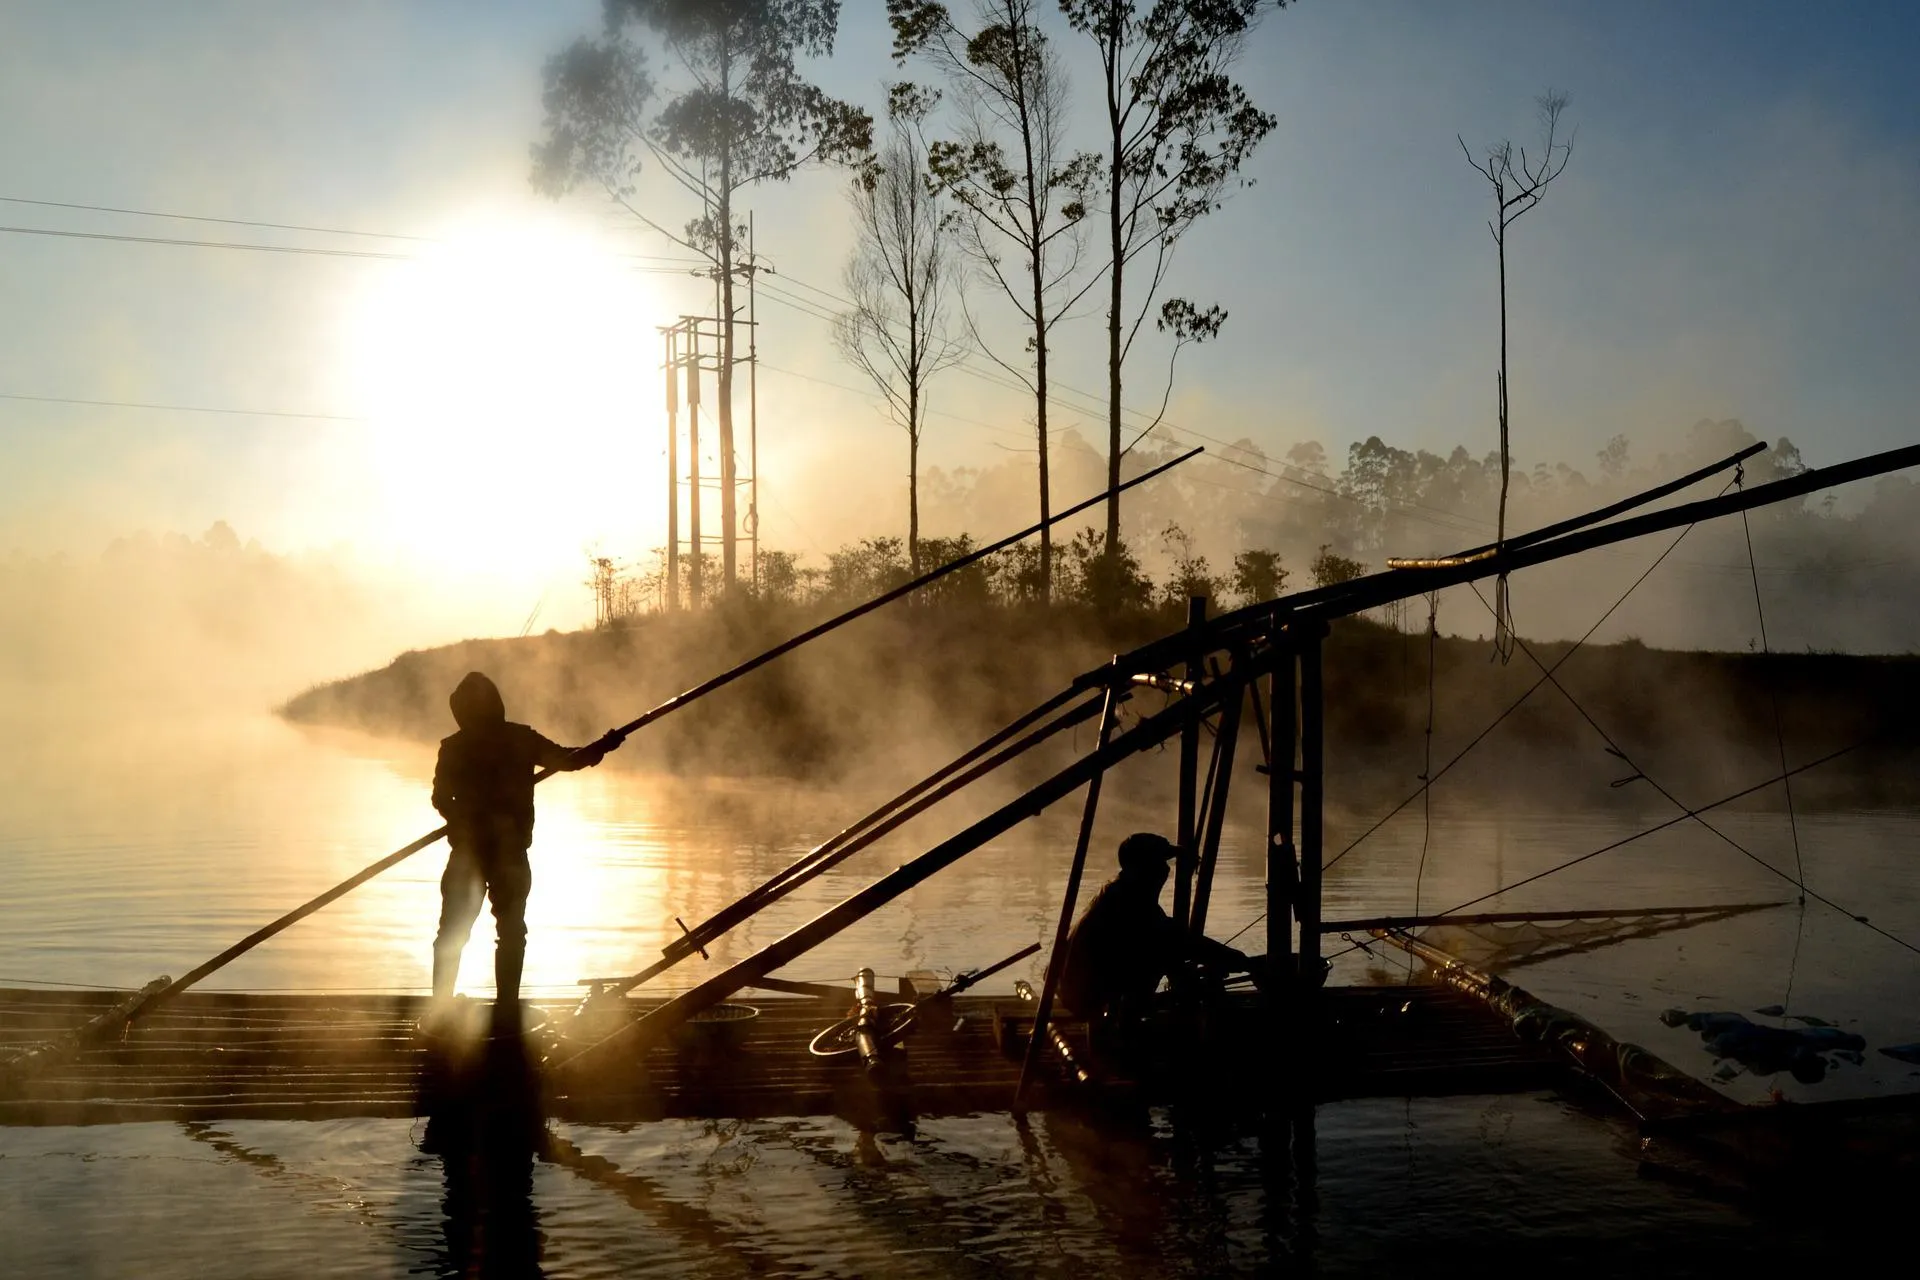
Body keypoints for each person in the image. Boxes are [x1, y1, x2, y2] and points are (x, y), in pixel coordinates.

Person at [430, 671, 622, 1020]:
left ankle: (445, 1008)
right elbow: (569, 759)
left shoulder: (455, 747)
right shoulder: (517, 739)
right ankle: (502, 1008)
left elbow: (440, 799)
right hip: (500, 853)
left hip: (479, 853)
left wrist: (460, 819)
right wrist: (601, 747)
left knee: (455, 932)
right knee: (510, 930)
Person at [1056, 832, 1263, 1047]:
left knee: (1167, 956)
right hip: (1085, 995)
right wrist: (1244, 962)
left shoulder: (1120, 891)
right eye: (1159, 863)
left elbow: (1174, 936)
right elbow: (1180, 941)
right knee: (1163, 956)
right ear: (1142, 867)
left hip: (1081, 988)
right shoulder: (1129, 902)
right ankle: (1126, 1033)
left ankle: (1124, 1029)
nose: (1166, 871)